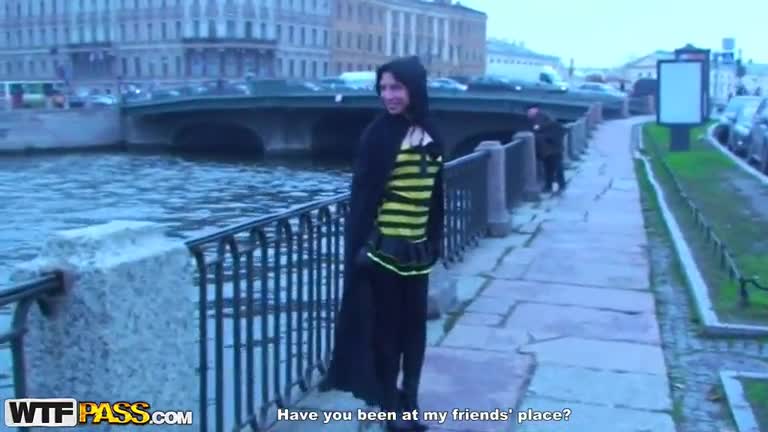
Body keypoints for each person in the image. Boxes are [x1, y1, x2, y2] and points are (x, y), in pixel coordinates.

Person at [319, 56, 445, 432]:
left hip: (417, 249)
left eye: (396, 87)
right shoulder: (378, 135)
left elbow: (435, 194)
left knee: (415, 328)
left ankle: (411, 400)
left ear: (414, 89)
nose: (389, 95)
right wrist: (358, 249)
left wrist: (435, 238)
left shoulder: (432, 132)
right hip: (383, 250)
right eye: (384, 88)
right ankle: (390, 408)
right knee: (387, 329)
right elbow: (364, 198)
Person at [527, 104, 566, 193]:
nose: (528, 114)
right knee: (551, 168)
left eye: (529, 111)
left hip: (551, 148)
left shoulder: (540, 119)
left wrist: (537, 130)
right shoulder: (541, 118)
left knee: (553, 168)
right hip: (552, 147)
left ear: (535, 110)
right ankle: (554, 186)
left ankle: (555, 186)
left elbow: (539, 130)